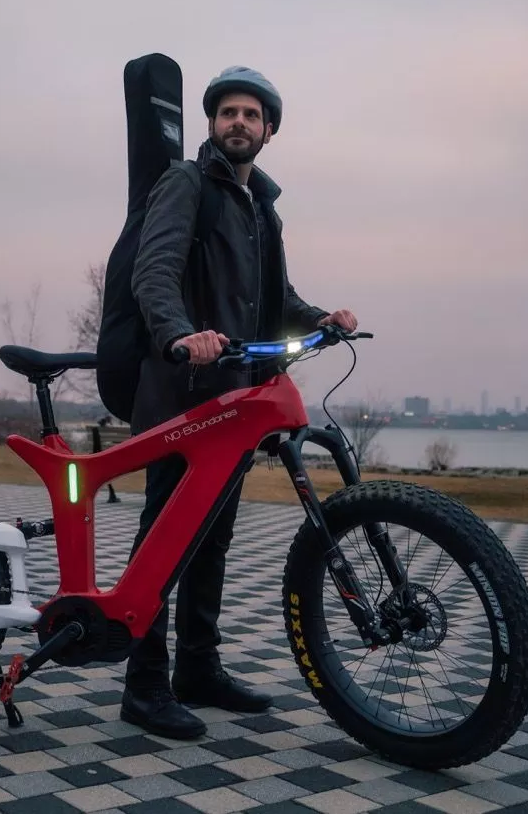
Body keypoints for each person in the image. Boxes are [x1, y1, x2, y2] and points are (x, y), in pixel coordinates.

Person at [122, 65, 358, 739]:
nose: (239, 123)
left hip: (234, 403)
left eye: (252, 115)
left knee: (213, 537)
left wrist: (321, 320)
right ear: (212, 123)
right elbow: (155, 268)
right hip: (182, 394)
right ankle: (143, 684)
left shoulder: (261, 208)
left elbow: (272, 302)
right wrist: (178, 336)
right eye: (228, 113)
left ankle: (198, 667)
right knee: (165, 538)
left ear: (269, 131)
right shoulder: (187, 183)